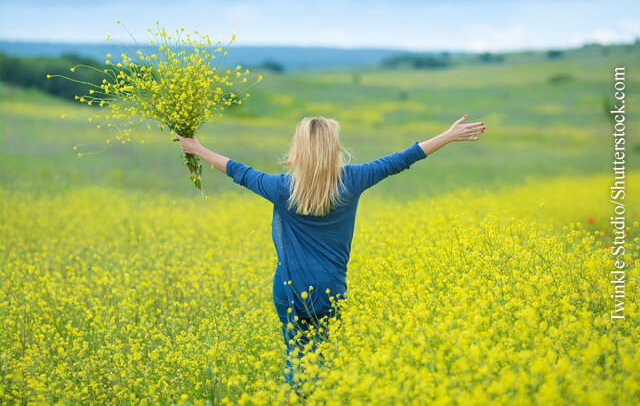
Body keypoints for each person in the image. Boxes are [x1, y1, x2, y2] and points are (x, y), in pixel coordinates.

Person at [176, 114, 485, 393]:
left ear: (299, 151)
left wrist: (197, 148)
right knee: (321, 363)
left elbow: (238, 171)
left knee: (295, 359)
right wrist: (447, 135)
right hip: (331, 291)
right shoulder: (352, 180)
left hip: (289, 289)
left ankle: (293, 398)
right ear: (334, 148)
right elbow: (400, 160)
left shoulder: (282, 188)